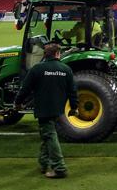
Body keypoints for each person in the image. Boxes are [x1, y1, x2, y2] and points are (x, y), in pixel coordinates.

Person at [15, 43, 79, 179]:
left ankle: (60, 168)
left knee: (49, 134)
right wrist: (74, 107)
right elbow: (73, 91)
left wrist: (18, 103)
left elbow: (24, 89)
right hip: (58, 108)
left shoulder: (37, 69)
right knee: (47, 133)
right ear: (57, 54)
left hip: (43, 108)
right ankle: (43, 164)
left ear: (45, 54)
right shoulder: (66, 69)